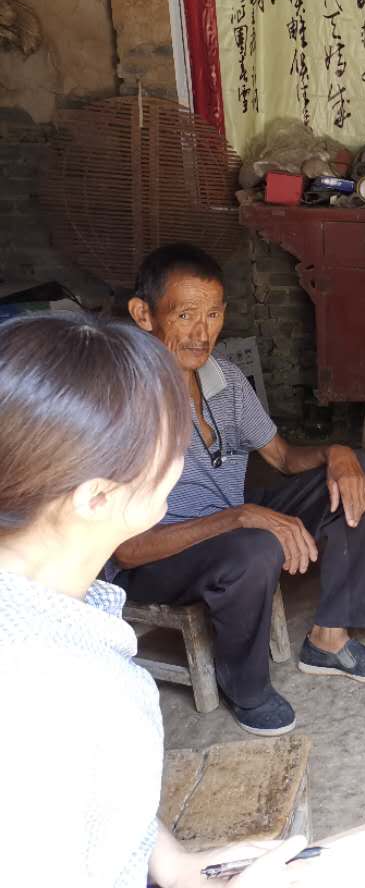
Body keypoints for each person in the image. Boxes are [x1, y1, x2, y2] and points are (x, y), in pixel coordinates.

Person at [0, 312, 308, 886]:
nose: (182, 458)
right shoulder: (58, 692)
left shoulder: (54, 615)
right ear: (98, 497)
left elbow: (99, 809)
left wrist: (173, 864)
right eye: (166, 442)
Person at [113, 244, 365, 737]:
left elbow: (284, 458)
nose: (201, 332)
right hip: (159, 557)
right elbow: (128, 549)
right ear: (144, 315)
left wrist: (337, 452)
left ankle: (330, 639)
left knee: (364, 471)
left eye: (212, 315)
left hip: (233, 526)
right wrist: (242, 517)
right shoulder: (124, 399)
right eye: (184, 315)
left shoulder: (224, 379)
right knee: (254, 546)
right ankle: (246, 687)